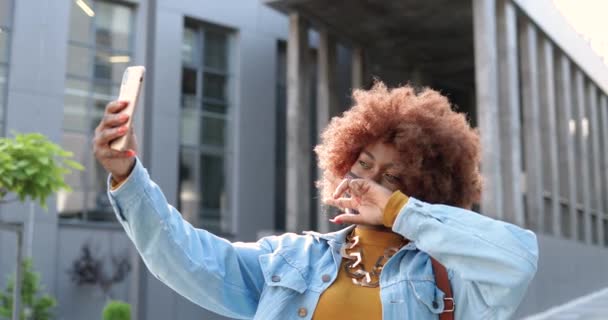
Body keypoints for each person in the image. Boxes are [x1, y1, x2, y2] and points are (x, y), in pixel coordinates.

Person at [93, 82, 538, 320]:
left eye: (395, 176)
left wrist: (400, 212)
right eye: (364, 163)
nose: (371, 181)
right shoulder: (293, 260)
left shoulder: (451, 279)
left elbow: (517, 260)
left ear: (426, 188)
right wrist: (126, 174)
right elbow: (184, 257)